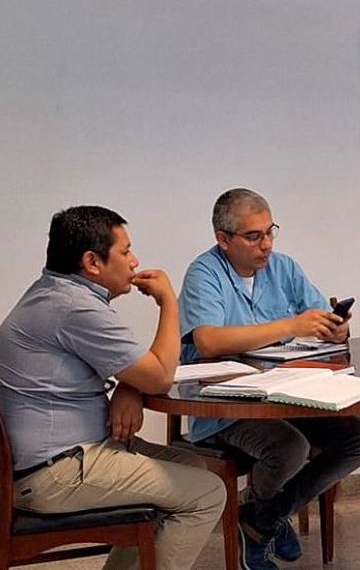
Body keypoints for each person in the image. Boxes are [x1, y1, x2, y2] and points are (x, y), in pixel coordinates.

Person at [0, 206, 226, 570]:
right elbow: (158, 377)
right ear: (92, 261)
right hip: (55, 472)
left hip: (62, 457)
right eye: (125, 251)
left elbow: (134, 369)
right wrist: (170, 302)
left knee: (188, 463)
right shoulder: (75, 309)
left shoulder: (55, 294)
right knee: (208, 493)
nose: (135, 261)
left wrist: (129, 387)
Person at [179, 188, 360, 570]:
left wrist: (336, 329)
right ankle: (265, 520)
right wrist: (289, 325)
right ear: (224, 239)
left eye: (270, 232)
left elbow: (321, 316)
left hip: (289, 393)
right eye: (254, 236)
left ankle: (262, 518)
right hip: (227, 403)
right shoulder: (204, 273)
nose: (266, 244)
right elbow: (207, 340)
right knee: (290, 448)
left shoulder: (283, 267)